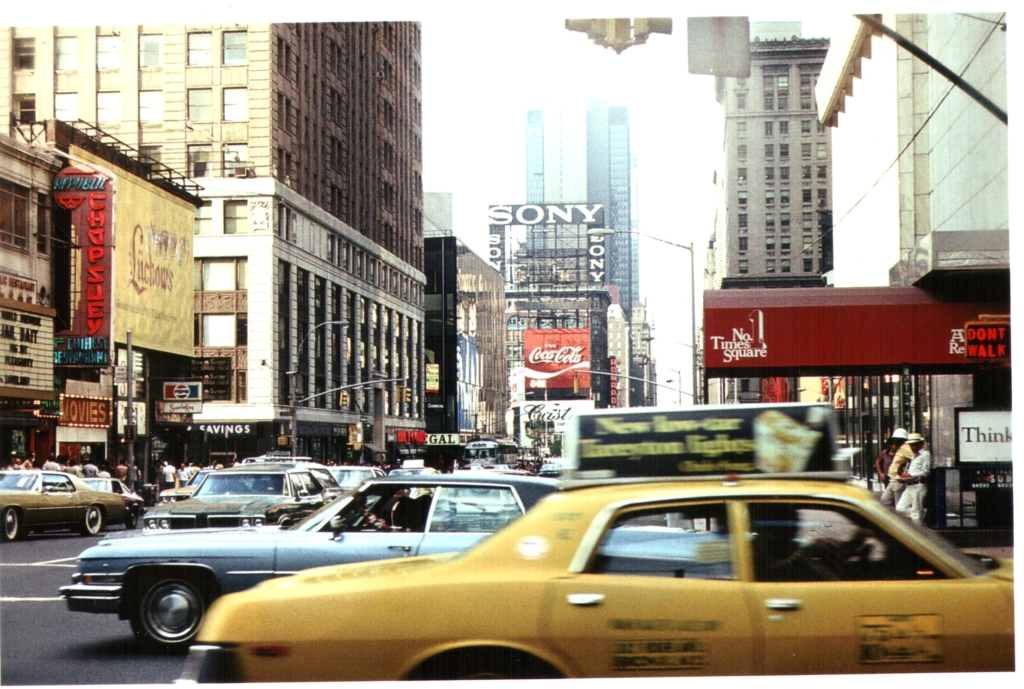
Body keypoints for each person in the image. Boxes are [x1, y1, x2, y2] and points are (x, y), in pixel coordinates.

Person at [896, 433, 932, 525]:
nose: (913, 447)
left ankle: (918, 528)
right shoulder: (913, 456)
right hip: (909, 485)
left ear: (920, 444)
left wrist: (910, 475)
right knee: (900, 509)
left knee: (916, 513)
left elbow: (926, 472)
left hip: (918, 485)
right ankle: (922, 512)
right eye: (911, 445)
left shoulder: (925, 455)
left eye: (915, 445)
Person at [880, 430, 916, 509]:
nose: (894, 441)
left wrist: (904, 467)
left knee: (899, 505)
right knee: (885, 501)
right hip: (893, 479)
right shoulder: (901, 448)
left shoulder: (906, 448)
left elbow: (916, 458)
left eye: (896, 439)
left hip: (898, 480)